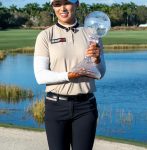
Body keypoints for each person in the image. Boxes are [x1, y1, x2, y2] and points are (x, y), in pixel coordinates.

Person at [34, 0, 106, 150]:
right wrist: (69, 75)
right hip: (56, 106)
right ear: (53, 6)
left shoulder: (92, 34)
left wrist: (97, 59)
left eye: (67, 3)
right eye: (57, 4)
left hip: (85, 107)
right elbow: (40, 76)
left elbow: (100, 73)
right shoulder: (45, 36)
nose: (62, 8)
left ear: (77, 4)